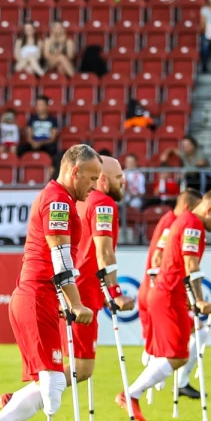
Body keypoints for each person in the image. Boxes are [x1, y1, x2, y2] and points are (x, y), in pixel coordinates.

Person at [0, 145, 102, 421]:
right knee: (54, 393)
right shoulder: (57, 200)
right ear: (74, 171)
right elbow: (59, 255)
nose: (95, 185)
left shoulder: (60, 199)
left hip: (38, 296)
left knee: (52, 385)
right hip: (37, 295)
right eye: (92, 177)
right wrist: (74, 302)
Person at [118, 189, 211, 418]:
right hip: (169, 294)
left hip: (169, 293)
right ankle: (131, 394)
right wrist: (199, 300)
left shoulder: (183, 221)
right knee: (178, 354)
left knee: (177, 350)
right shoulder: (192, 225)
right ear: (209, 209)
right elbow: (191, 265)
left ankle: (134, 393)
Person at [65, 156, 133, 395]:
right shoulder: (103, 203)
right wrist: (115, 292)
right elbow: (103, 250)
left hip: (75, 287)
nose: (123, 181)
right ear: (102, 179)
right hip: (82, 293)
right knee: (82, 368)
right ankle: (14, 404)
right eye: (118, 177)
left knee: (75, 365)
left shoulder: (80, 201)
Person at [137, 189, 198, 388]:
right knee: (196, 332)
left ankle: (173, 381)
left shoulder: (170, 220)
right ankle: (178, 382)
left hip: (156, 290)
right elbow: (157, 258)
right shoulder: (174, 223)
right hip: (161, 291)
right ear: (188, 207)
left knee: (162, 346)